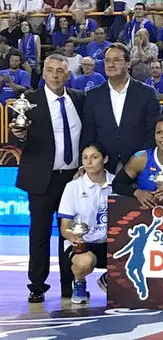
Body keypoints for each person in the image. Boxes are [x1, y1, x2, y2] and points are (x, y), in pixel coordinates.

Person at [11, 54, 84, 302]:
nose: (54, 75)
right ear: (43, 73)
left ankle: (70, 284)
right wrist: (19, 135)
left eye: (60, 71)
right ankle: (37, 285)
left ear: (67, 74)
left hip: (73, 180)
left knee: (72, 234)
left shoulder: (79, 98)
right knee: (40, 234)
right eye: (50, 70)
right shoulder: (29, 101)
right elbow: (16, 139)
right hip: (42, 179)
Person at [81, 43, 160, 174]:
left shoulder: (147, 93)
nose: (111, 65)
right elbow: (88, 133)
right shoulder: (93, 96)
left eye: (117, 60)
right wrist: (84, 164)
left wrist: (138, 160)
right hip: (102, 168)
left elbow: (153, 132)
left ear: (128, 63)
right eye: (107, 60)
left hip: (139, 168)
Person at [57, 141, 111, 304]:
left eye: (94, 157)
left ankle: (108, 279)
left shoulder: (117, 184)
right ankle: (79, 282)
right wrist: (73, 237)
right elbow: (65, 227)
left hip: (110, 243)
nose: (89, 162)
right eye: (85, 158)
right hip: (83, 244)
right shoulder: (72, 187)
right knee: (85, 262)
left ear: (105, 159)